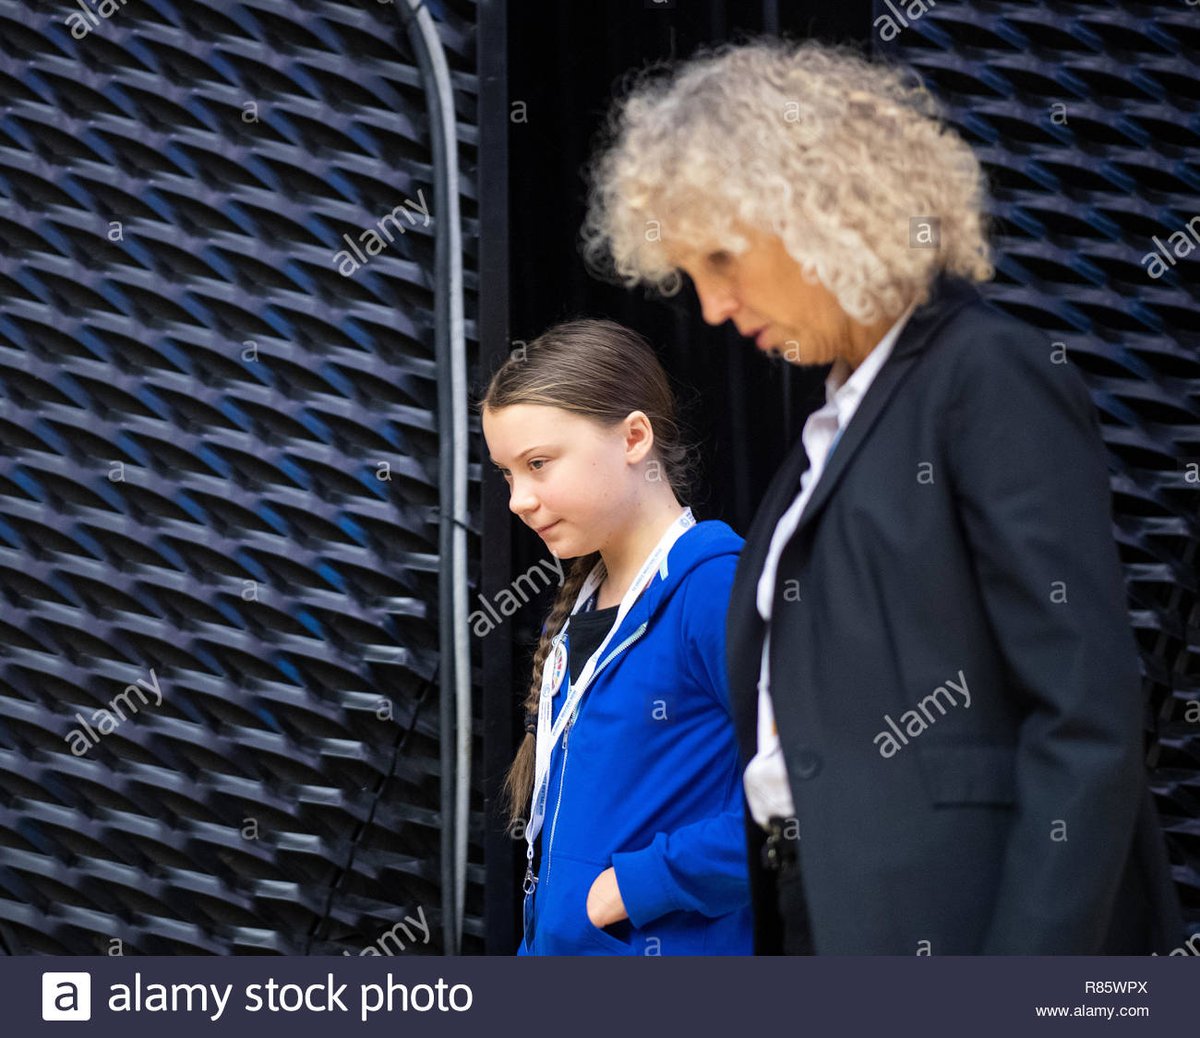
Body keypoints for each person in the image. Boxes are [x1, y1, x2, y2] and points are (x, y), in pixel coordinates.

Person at [580, 38, 1184, 955]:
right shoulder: (831, 429)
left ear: (816, 209)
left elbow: (1085, 715)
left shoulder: (986, 376)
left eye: (721, 258)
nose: (709, 306)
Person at [481, 318, 753, 955]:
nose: (519, 499)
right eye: (507, 474)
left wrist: (639, 885)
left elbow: (812, 797)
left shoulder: (714, 587)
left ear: (634, 438)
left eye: (539, 463)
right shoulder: (584, 602)